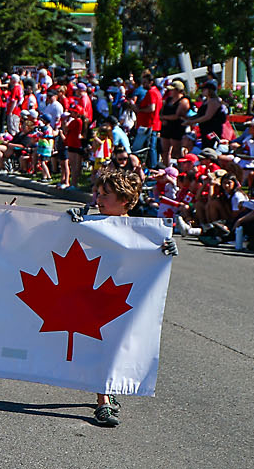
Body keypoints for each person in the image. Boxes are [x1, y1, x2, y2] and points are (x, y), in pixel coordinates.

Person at [85, 165, 157, 426]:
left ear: (125, 201)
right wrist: (69, 224)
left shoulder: (144, 231)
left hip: (127, 299)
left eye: (105, 195)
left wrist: (167, 250)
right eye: (98, 193)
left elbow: (154, 261)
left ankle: (109, 388)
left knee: (118, 345)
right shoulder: (92, 224)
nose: (98, 200)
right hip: (94, 296)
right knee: (99, 345)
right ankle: (102, 401)